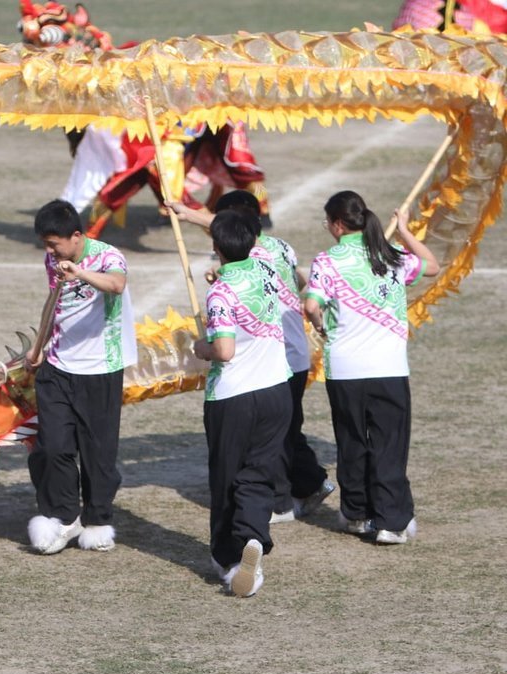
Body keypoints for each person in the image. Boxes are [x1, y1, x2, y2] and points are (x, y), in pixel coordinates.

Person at [169, 191, 334, 524]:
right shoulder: (279, 248)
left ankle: (286, 497)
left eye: (226, 219)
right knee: (286, 430)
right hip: (290, 354)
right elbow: (299, 281)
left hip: (278, 359)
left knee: (275, 435)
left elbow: (229, 236)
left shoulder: (263, 252)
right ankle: (309, 483)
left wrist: (190, 214)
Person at [303, 191, 439, 545]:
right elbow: (433, 266)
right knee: (389, 443)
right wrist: (406, 231)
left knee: (351, 440)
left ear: (336, 224)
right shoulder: (392, 255)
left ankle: (356, 512)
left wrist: (320, 324)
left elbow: (311, 303)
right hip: (389, 368)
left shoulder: (327, 261)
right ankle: (391, 521)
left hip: (345, 369)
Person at [25, 199, 136, 555]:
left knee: (98, 454)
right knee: (53, 446)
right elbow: (54, 301)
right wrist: (38, 345)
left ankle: (98, 520)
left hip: (100, 368)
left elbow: (116, 285)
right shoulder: (52, 260)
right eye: (45, 243)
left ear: (76, 236)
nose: (49, 250)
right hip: (58, 366)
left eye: (54, 243)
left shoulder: (108, 256)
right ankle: (65, 514)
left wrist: (80, 273)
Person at [193, 209, 291, 597]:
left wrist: (201, 347)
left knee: (226, 476)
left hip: (233, 397)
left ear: (216, 248)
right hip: (275, 389)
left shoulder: (220, 292)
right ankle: (252, 536)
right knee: (258, 472)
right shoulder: (266, 267)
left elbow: (225, 350)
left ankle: (230, 557)